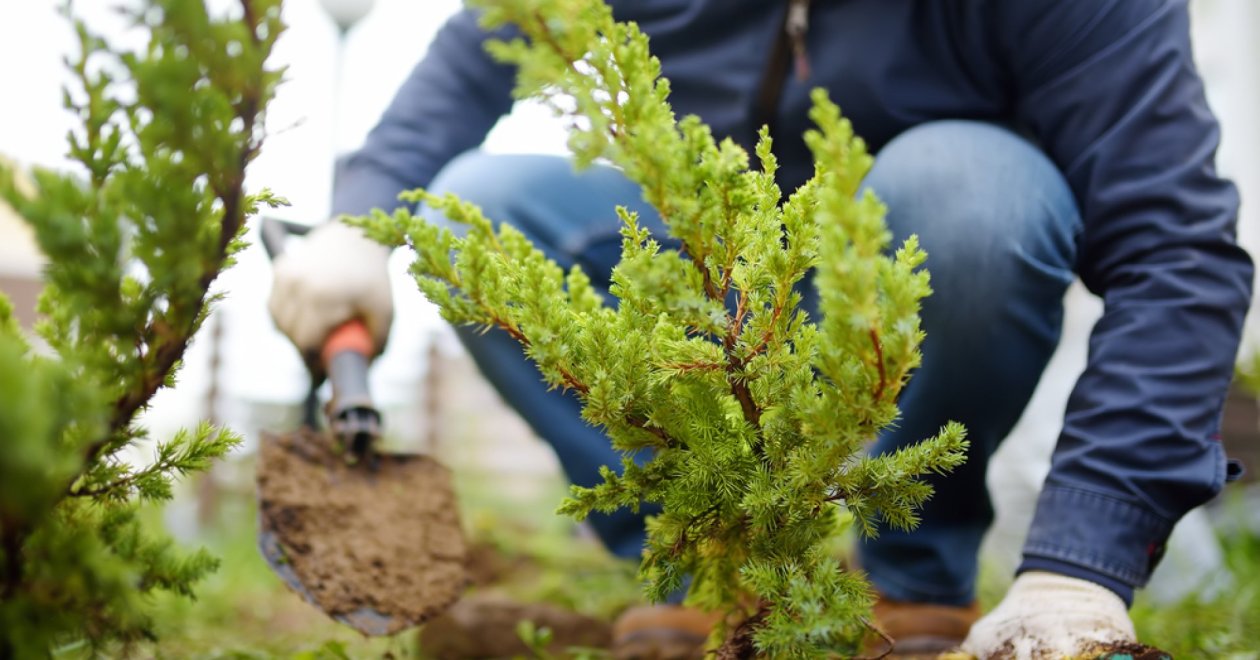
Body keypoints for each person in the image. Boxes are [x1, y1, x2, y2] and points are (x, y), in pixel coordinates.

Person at [269, 1, 1252, 657]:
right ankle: (705, 560)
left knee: (972, 194)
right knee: (464, 216)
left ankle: (913, 572)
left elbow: (1175, 250)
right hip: (717, 296)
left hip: (911, 291)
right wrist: (359, 216)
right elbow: (480, 46)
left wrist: (1082, 564)